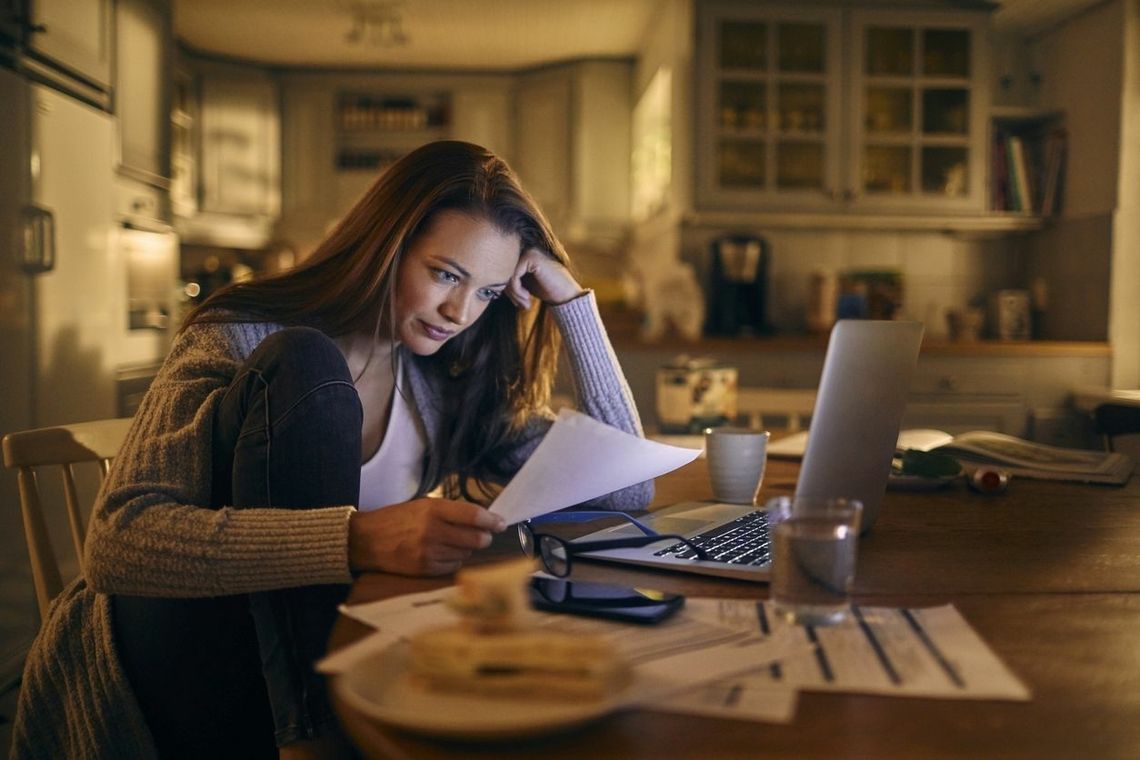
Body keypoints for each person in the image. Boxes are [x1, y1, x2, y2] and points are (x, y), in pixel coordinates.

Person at [10, 140, 652, 759]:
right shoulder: (243, 335)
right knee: (306, 362)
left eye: (486, 292)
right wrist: (358, 540)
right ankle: (314, 740)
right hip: (169, 652)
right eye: (445, 274)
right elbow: (117, 545)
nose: (460, 311)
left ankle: (318, 729)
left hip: (310, 668)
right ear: (387, 246)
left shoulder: (440, 385)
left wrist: (572, 303)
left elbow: (628, 488)